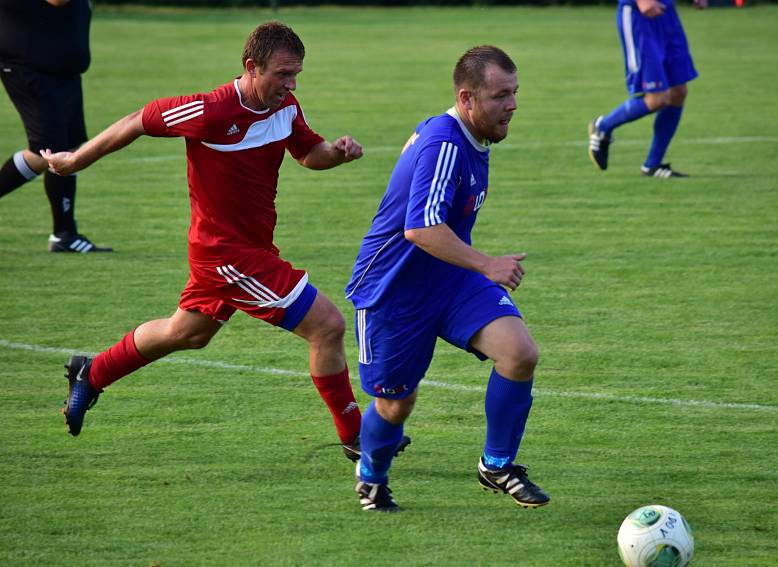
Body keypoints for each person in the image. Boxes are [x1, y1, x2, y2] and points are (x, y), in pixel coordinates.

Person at [42, 21, 377, 461]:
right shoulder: (211, 111)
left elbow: (308, 153)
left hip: (250, 249)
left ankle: (93, 371)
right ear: (251, 66)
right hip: (226, 254)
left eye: (296, 74)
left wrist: (336, 152)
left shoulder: (286, 107)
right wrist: (74, 160)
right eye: (282, 74)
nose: (291, 84)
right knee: (327, 325)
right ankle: (357, 438)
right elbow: (139, 120)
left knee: (188, 333)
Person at [344, 45, 549, 511]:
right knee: (396, 403)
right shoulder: (445, 144)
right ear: (467, 97)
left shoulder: (468, 133)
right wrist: (487, 263)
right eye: (500, 96)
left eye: (515, 93)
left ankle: (496, 465)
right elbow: (419, 228)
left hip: (449, 279)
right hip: (393, 292)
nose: (512, 105)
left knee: (519, 354)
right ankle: (372, 476)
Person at [0, 0, 111, 252]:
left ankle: (65, 235)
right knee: (46, 151)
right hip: (29, 66)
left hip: (60, 69)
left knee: (67, 149)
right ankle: (64, 234)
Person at [588, 0, 707, 178]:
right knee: (658, 98)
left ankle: (653, 165)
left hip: (666, 13)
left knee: (678, 92)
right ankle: (603, 126)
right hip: (640, 15)